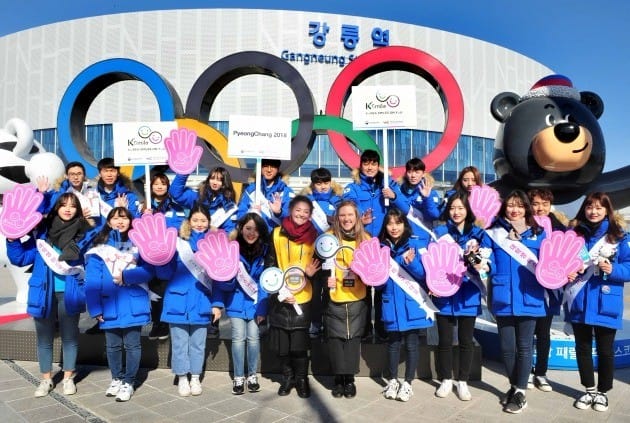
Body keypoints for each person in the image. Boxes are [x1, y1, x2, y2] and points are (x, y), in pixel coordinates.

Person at [6, 193, 95, 397]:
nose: (68, 209)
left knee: (70, 337)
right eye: (63, 205)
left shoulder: (83, 235)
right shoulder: (42, 236)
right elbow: (19, 258)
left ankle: (68, 378)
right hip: (43, 293)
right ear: (56, 208)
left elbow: (92, 262)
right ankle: (46, 379)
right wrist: (13, 238)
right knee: (44, 339)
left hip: (70, 292)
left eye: (73, 206)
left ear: (78, 209)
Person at [84, 207, 156, 402]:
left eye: (124, 217)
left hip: (133, 302)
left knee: (132, 345)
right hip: (109, 305)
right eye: (115, 218)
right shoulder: (99, 248)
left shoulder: (140, 245)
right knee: (113, 346)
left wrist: (127, 275)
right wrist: (95, 307)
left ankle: (129, 382)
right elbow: (92, 280)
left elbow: (149, 271)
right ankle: (116, 378)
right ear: (108, 222)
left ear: (131, 221)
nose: (120, 221)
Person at [566, 192, 630, 412]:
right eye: (589, 207)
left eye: (598, 208)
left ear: (607, 211)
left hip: (606, 300)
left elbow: (629, 267)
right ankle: (589, 390)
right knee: (582, 348)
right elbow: (562, 263)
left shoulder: (620, 236)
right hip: (579, 299)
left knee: (605, 350)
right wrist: (568, 274)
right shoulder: (573, 236)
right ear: (584, 209)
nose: (593, 212)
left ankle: (602, 393)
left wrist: (613, 269)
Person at [485, 190, 546, 414]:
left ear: (526, 208)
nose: (515, 209)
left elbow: (550, 262)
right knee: (507, 348)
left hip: (530, 296)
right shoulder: (493, 233)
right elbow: (487, 257)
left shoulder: (539, 233)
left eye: (519, 205)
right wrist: (483, 263)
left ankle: (520, 391)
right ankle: (514, 387)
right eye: (511, 205)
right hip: (503, 297)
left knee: (524, 346)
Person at [432, 191, 489, 401]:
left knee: (466, 340)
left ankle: (463, 381)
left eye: (461, 208)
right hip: (444, 293)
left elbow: (485, 267)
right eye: (453, 208)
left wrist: (475, 261)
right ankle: (446, 379)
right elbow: (431, 259)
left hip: (468, 293)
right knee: (445, 340)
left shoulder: (479, 235)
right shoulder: (439, 232)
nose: (456, 212)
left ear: (469, 210)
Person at [158, 204, 217, 397]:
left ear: (208, 222)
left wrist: (218, 304)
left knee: (198, 344)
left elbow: (219, 278)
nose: (199, 224)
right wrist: (160, 257)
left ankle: (195, 377)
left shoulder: (214, 244)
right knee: (180, 343)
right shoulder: (178, 243)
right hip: (178, 301)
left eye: (203, 220)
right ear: (189, 221)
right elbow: (165, 273)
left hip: (202, 301)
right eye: (196, 220)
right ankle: (182, 377)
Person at [212, 213, 274, 395]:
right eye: (248, 228)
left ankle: (252, 375)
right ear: (241, 228)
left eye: (255, 229)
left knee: (254, 338)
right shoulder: (231, 249)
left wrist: (263, 307)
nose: (251, 232)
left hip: (256, 303)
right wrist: (217, 303)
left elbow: (266, 281)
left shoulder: (266, 250)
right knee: (238, 338)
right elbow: (219, 278)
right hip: (236, 301)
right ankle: (239, 377)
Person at [378, 208, 432, 402]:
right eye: (390, 223)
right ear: (385, 225)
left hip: (411, 304)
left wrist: (412, 264)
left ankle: (408, 383)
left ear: (404, 224)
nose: (394, 227)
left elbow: (426, 276)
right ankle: (392, 380)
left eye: (398, 223)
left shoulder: (415, 244)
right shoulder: (380, 247)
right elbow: (377, 283)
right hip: (390, 303)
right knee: (392, 344)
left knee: (411, 344)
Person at [268, 195, 320, 398]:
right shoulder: (276, 234)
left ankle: (302, 379)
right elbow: (270, 265)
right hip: (281, 297)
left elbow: (320, 269)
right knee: (282, 346)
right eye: (298, 210)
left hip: (304, 299)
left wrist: (311, 273)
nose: (301, 214)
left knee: (299, 345)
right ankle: (287, 378)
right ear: (290, 210)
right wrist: (281, 291)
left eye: (306, 211)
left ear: (310, 215)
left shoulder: (316, 238)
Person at [342, 149, 393, 341]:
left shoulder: (386, 185)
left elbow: (400, 209)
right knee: (362, 291)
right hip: (361, 245)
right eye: (366, 163)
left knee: (381, 289)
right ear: (361, 165)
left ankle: (381, 330)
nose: (370, 167)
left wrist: (392, 191)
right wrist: (359, 221)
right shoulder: (353, 187)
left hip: (382, 246)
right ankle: (363, 331)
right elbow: (346, 211)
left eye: (373, 163)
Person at [324, 200, 370, 399]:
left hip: (357, 296)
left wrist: (362, 275)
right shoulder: (327, 238)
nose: (346, 219)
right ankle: (338, 378)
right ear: (336, 217)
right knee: (335, 340)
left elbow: (372, 269)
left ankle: (349, 379)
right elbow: (317, 265)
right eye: (342, 215)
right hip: (334, 296)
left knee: (353, 339)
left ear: (357, 217)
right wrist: (326, 278)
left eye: (350, 215)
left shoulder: (365, 239)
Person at [526, 188, 568, 392]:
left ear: (550, 205)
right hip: (526, 287)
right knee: (525, 333)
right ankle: (525, 371)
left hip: (550, 290)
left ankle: (541, 373)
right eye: (535, 203)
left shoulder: (560, 228)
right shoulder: (522, 224)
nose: (540, 207)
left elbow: (574, 252)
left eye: (544, 203)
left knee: (543, 333)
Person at [142, 172, 188, 340]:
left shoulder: (176, 206)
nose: (159, 187)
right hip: (150, 256)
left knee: (167, 289)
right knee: (154, 291)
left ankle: (167, 323)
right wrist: (145, 217)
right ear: (151, 187)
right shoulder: (144, 207)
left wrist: (159, 223)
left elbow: (179, 226)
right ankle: (157, 323)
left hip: (170, 255)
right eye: (156, 184)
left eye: (163, 183)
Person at [301, 167, 342, 337]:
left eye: (326, 182)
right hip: (313, 253)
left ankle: (329, 324)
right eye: (318, 183)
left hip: (333, 253)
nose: (323, 186)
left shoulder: (338, 200)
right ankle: (315, 323)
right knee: (315, 290)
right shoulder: (306, 203)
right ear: (313, 184)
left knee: (331, 289)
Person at [169, 166, 238, 233]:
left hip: (212, 242)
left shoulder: (228, 205)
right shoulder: (198, 196)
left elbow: (230, 231)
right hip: (194, 240)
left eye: (219, 180)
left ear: (225, 183)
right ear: (208, 179)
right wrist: (184, 172)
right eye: (212, 178)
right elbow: (176, 194)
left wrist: (217, 232)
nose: (214, 182)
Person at [237, 159, 294, 232]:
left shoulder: (286, 192)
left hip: (276, 239)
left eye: (272, 166)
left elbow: (292, 220)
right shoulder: (251, 190)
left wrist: (279, 213)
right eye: (265, 166)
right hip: (254, 237)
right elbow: (240, 214)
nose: (269, 170)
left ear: (277, 169)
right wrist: (250, 214)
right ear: (260, 168)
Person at [390, 157, 441, 239]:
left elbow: (434, 216)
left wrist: (426, 198)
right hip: (402, 237)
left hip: (422, 237)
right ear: (406, 173)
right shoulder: (399, 191)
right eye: (410, 172)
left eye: (417, 172)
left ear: (423, 174)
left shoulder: (430, 192)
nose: (413, 175)